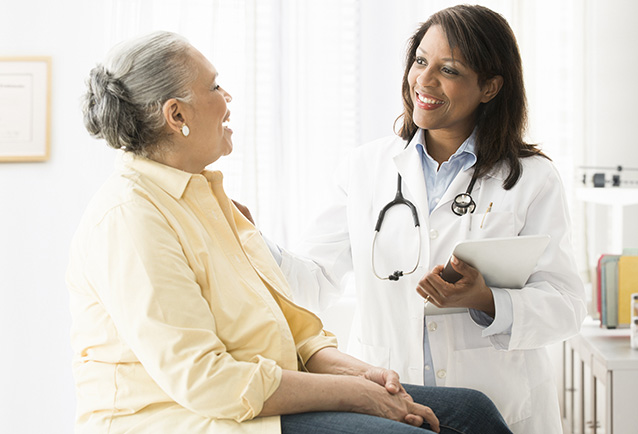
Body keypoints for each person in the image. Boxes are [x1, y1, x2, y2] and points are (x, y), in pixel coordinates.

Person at [66, 31, 513, 434]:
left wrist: (363, 375)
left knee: (473, 413)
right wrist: (357, 396)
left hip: (258, 400)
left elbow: (294, 331)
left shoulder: (209, 196)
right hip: (187, 418)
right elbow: (207, 383)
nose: (228, 98)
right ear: (176, 114)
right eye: (215, 86)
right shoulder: (131, 218)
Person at [275, 5, 587, 434]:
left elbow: (567, 305)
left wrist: (486, 300)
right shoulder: (365, 168)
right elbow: (310, 280)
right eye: (421, 61)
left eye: (450, 70)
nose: (424, 79)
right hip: (392, 399)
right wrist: (245, 238)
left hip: (499, 405)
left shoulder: (531, 178)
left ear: (490, 87)